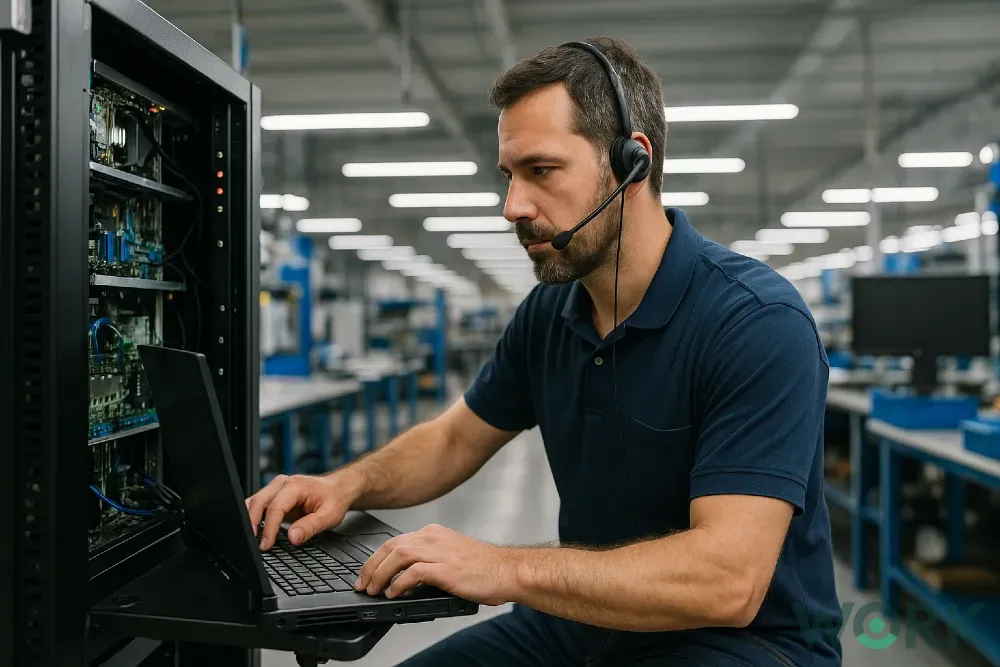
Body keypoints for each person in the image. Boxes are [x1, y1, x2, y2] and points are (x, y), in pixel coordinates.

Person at [246, 36, 843, 667]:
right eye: (510, 176)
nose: (514, 207)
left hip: (741, 643)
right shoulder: (550, 312)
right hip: (586, 621)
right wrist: (345, 485)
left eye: (542, 171)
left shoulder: (754, 323)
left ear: (632, 164)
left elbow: (728, 582)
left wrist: (502, 567)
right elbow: (455, 439)